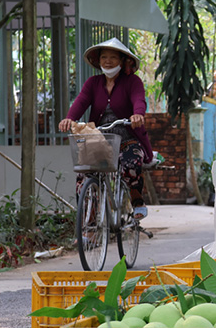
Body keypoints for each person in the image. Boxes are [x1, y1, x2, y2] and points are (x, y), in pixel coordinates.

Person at [58, 37, 153, 220]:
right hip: (99, 139)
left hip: (127, 137)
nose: (108, 61)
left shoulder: (132, 81)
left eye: (113, 57)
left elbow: (138, 100)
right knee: (84, 175)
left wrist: (137, 114)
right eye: (104, 57)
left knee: (131, 163)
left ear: (122, 61)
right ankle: (89, 223)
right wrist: (69, 118)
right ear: (98, 61)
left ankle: (136, 198)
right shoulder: (93, 83)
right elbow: (81, 102)